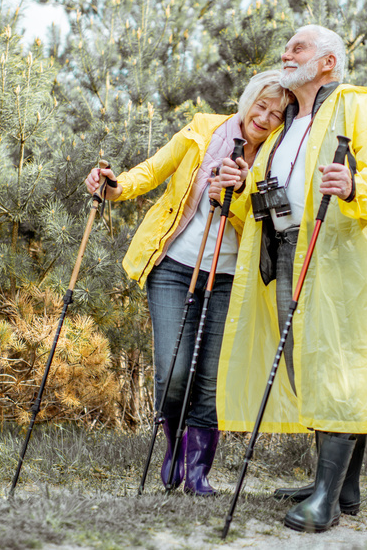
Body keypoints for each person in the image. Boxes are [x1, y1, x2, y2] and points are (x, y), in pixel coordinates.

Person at [211, 25, 367, 531]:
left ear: (327, 62)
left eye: (298, 47)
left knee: (337, 365)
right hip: (283, 251)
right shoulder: (285, 125)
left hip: (334, 254)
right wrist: (241, 184)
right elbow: (270, 188)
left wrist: (353, 184)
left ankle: (324, 500)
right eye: (286, 46)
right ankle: (343, 486)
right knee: (307, 364)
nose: (286, 53)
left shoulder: (355, 105)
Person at [84, 71, 287, 496]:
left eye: (277, 113)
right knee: (173, 371)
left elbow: (266, 225)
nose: (265, 118)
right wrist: (114, 187)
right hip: (174, 266)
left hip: (231, 277)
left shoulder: (277, 157)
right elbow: (154, 170)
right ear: (248, 101)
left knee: (210, 377)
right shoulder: (202, 129)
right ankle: (175, 446)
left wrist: (234, 196)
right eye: (261, 106)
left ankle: (198, 472)